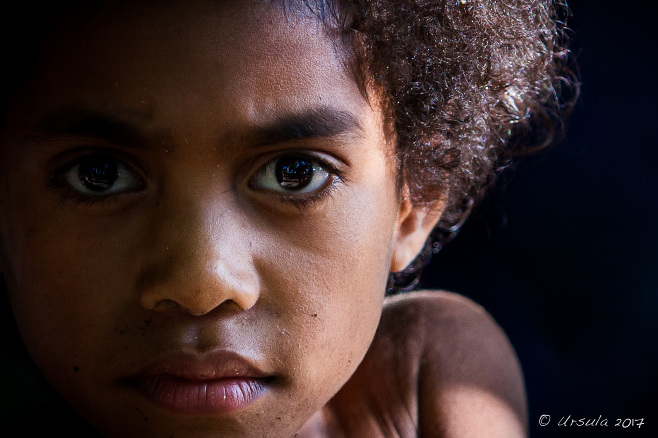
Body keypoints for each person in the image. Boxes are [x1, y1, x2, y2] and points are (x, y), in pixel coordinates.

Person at [0, 0, 573, 436]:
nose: (202, 284)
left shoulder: (420, 387)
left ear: (414, 199)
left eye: (295, 172)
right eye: (99, 174)